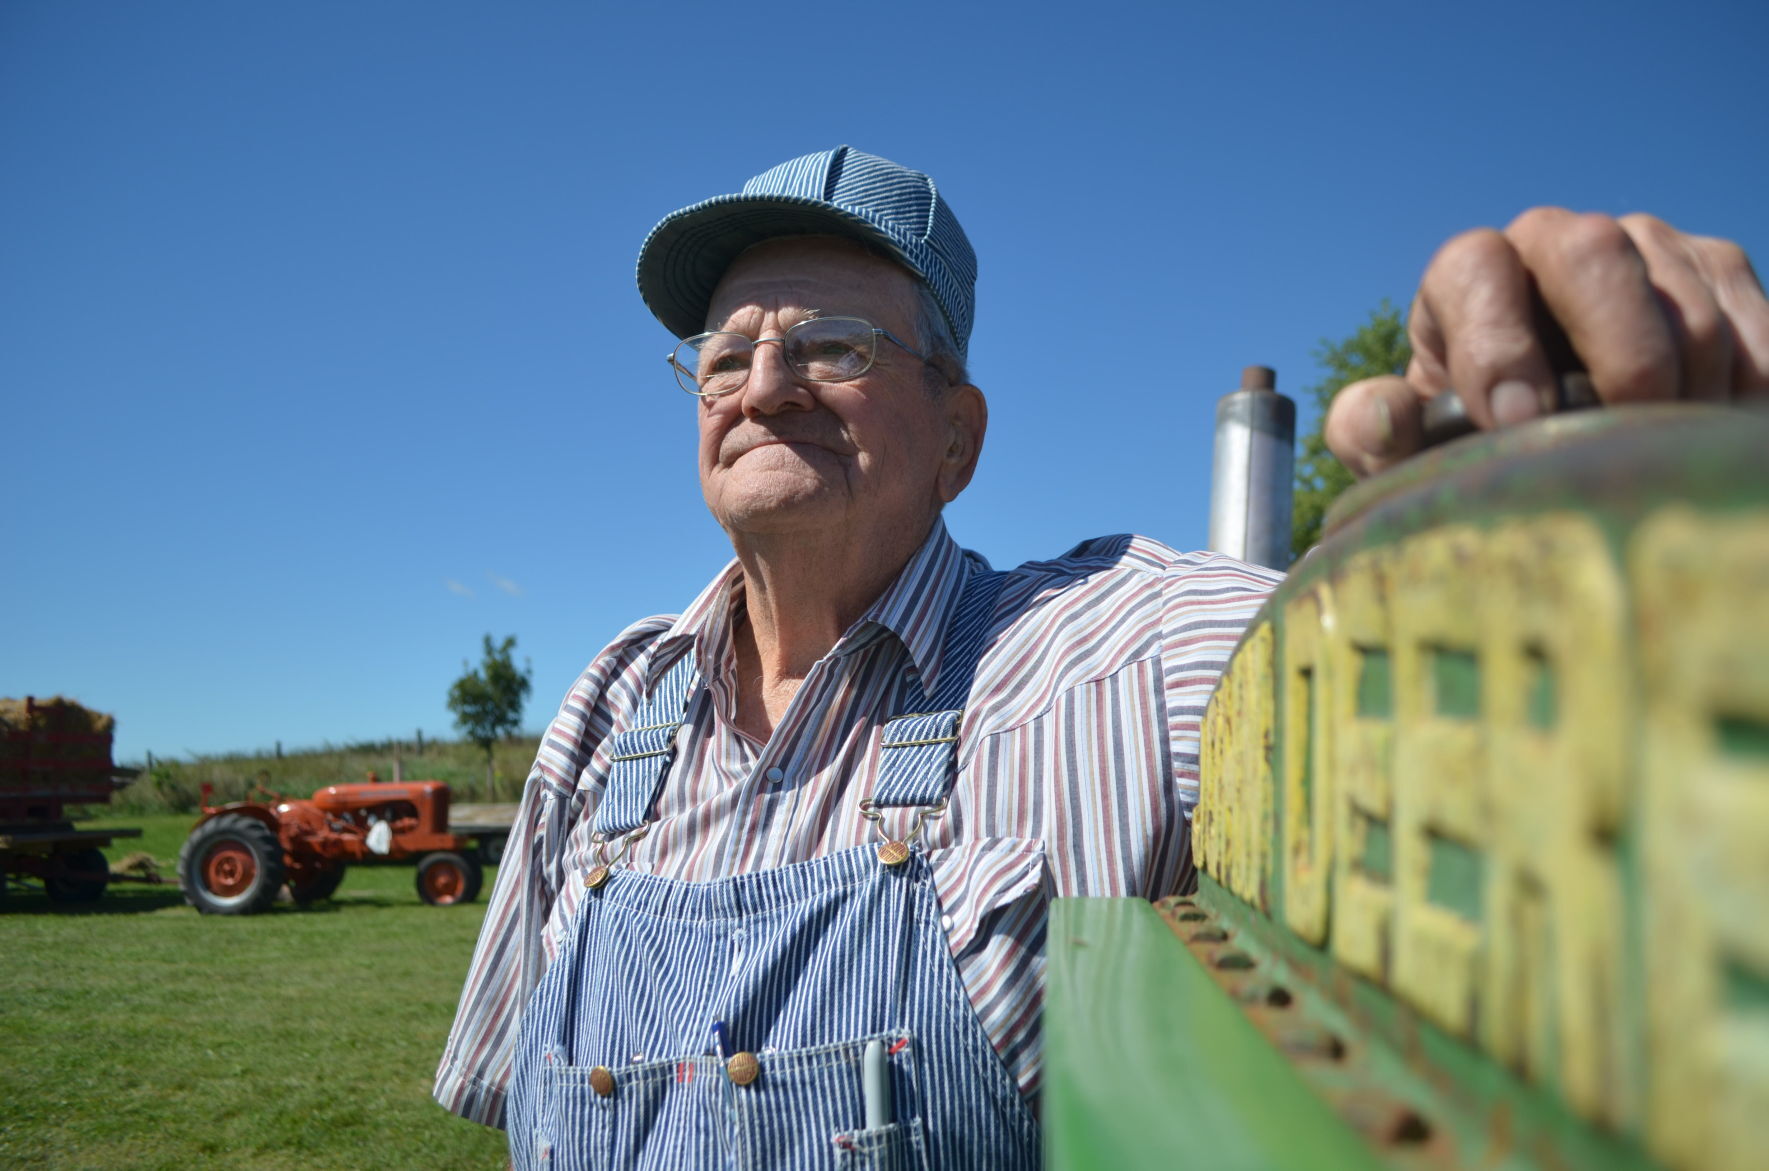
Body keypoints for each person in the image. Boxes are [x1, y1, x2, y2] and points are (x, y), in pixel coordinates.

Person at [435, 146, 1767, 1168]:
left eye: (833, 348)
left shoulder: (1126, 649)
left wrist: (1547, 487)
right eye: (725, 356)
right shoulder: (614, 705)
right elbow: (510, 1102)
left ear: (958, 436)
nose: (764, 385)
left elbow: (1405, 674)